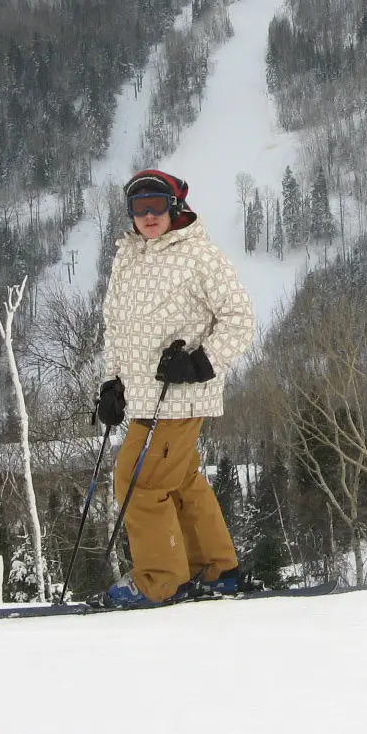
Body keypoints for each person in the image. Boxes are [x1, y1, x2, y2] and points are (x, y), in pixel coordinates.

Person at [95, 168, 256, 604]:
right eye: (138, 207)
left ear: (175, 207)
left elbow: (240, 319)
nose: (148, 216)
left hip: (179, 397)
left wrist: (200, 362)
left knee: (139, 481)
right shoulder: (127, 256)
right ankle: (215, 570)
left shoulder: (199, 256)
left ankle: (160, 580)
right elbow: (115, 327)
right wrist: (112, 383)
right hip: (143, 397)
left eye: (157, 206)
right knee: (181, 480)